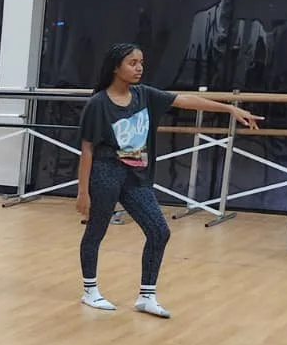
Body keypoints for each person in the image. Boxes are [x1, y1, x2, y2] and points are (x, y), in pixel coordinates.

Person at [74, 42, 261, 318]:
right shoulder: (98, 104)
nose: (139, 68)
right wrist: (83, 192)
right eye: (132, 63)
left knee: (159, 231)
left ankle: (146, 296)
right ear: (115, 68)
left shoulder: (145, 95)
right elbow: (87, 149)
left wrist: (230, 109)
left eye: (141, 62)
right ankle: (90, 290)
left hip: (136, 175)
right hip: (106, 172)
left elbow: (185, 100)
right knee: (96, 231)